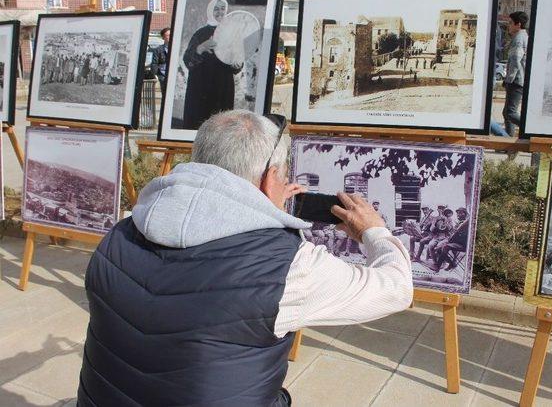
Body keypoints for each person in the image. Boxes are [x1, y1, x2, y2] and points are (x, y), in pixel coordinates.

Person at [77, 110, 413, 406]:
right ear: (270, 179)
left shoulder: (117, 237)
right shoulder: (288, 268)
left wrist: (266, 209)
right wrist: (374, 231)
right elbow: (396, 288)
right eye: (282, 177)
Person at [182, 0, 243, 130]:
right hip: (201, 86)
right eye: (216, 9)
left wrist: (237, 64)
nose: (220, 12)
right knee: (200, 122)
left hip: (223, 87)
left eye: (222, 8)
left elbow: (236, 63)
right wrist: (201, 47)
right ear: (210, 11)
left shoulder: (231, 33)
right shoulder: (200, 33)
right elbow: (187, 60)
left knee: (221, 126)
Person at [502, 11, 528, 137]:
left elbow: (515, 61)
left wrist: (509, 79)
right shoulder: (523, 37)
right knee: (507, 113)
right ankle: (509, 143)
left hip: (516, 81)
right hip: (518, 80)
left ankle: (531, 128)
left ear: (518, 25)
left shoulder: (518, 39)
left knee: (510, 113)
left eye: (511, 23)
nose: (509, 26)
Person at [152, 27, 171, 97]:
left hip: (174, 76)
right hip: (163, 76)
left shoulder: (177, 48)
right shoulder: (158, 50)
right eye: (168, 35)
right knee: (165, 96)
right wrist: (156, 75)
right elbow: (154, 63)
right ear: (163, 37)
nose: (170, 36)